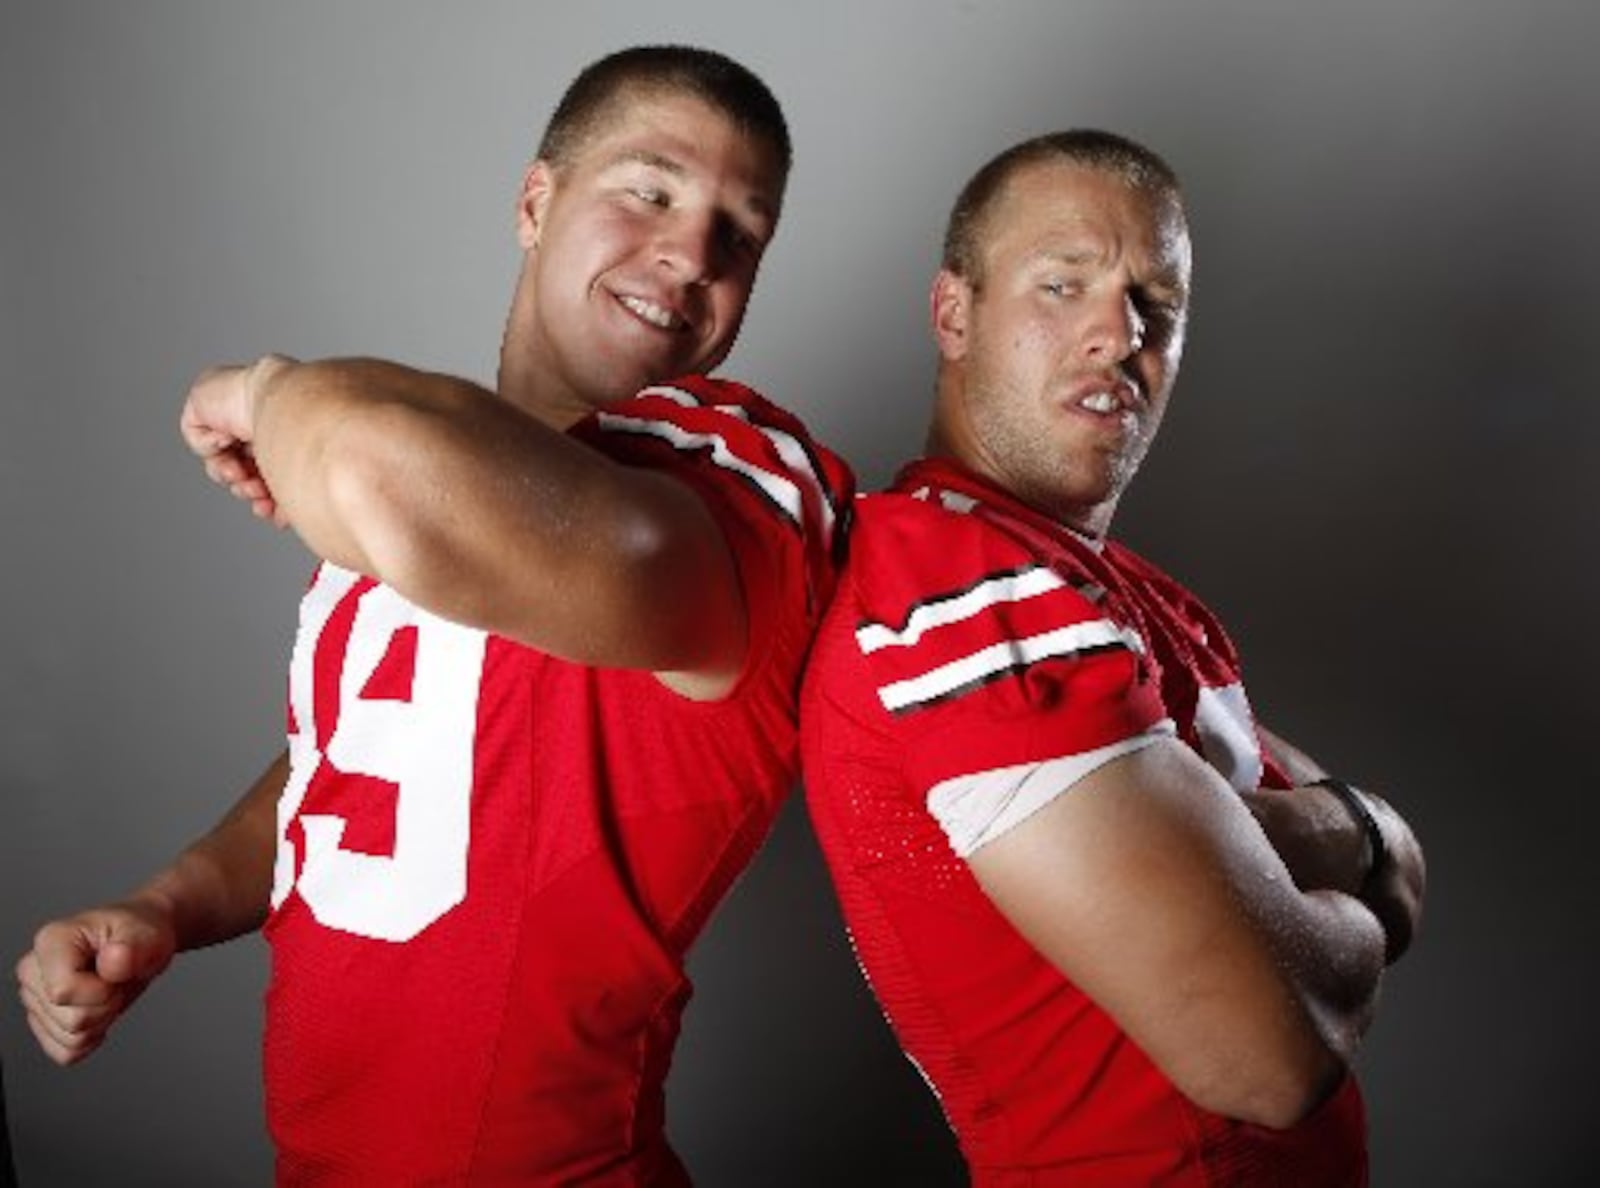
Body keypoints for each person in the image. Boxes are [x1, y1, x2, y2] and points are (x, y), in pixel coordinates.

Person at [16, 45, 850, 1184]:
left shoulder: (734, 476)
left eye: (738, 233)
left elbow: (373, 464)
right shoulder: (440, 487)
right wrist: (166, 905)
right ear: (534, 200)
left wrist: (266, 392)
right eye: (649, 191)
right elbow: (354, 764)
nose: (689, 252)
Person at [800, 129, 1425, 1186]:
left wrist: (1344, 841)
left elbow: (1398, 860)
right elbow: (1272, 1054)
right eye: (1063, 284)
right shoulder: (952, 579)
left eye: (1157, 305)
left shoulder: (1109, 590)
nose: (1115, 333)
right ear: (954, 313)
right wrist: (1353, 850)